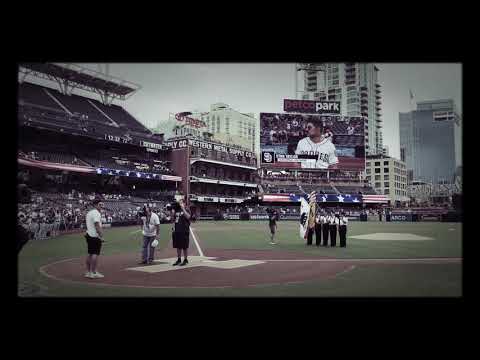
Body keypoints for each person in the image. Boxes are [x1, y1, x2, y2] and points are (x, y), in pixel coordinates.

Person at [84, 198, 105, 279]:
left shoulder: (90, 212)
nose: (101, 206)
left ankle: (88, 272)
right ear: (95, 205)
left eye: (102, 204)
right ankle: (94, 272)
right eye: (100, 204)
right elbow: (97, 225)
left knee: (90, 253)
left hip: (89, 234)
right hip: (94, 236)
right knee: (95, 254)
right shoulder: (96, 213)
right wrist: (101, 236)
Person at [171, 199, 191, 266]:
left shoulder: (187, 209)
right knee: (178, 246)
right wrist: (173, 213)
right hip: (177, 230)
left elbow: (188, 217)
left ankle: (185, 259)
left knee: (184, 246)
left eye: (181, 202)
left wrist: (183, 208)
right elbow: (172, 220)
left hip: (184, 230)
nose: (180, 204)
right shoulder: (177, 210)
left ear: (184, 203)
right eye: (179, 203)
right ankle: (179, 259)